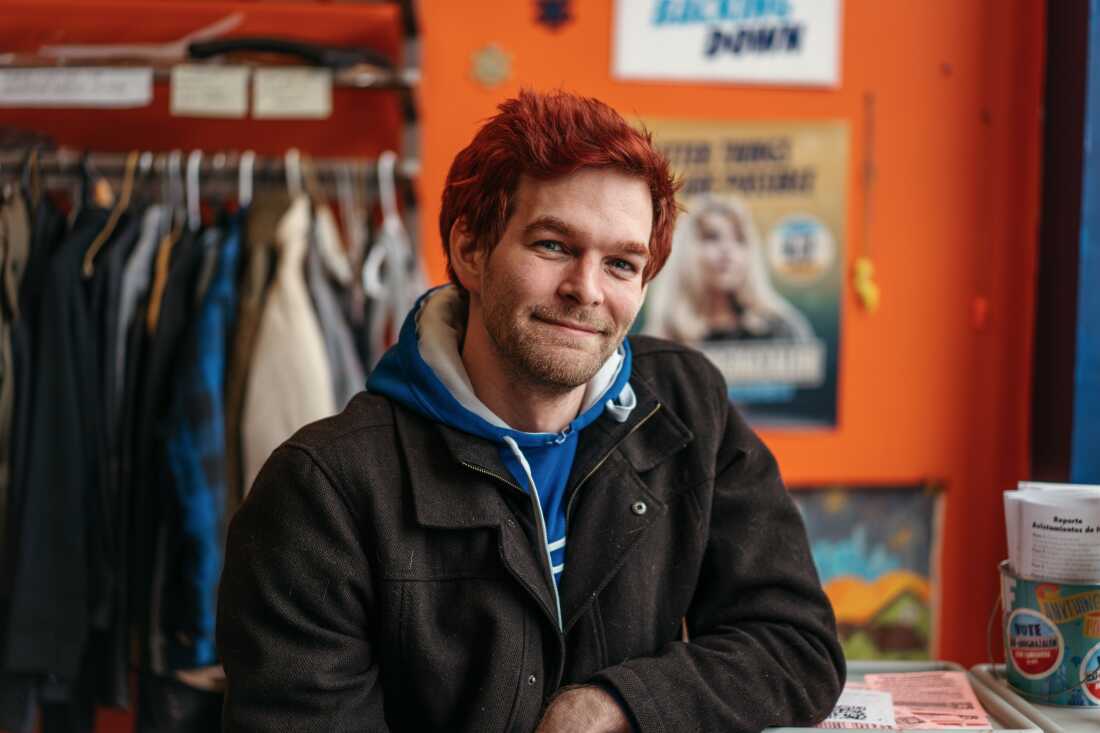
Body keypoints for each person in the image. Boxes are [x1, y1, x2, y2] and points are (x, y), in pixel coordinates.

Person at [217, 90, 844, 732]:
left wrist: (618, 705)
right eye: (552, 246)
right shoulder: (323, 491)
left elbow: (796, 646)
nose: (586, 290)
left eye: (622, 264)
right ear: (470, 251)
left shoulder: (688, 406)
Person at [643, 193, 813, 344]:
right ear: (685, 251)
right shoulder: (663, 336)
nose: (727, 250)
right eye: (712, 237)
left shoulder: (783, 329)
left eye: (739, 239)